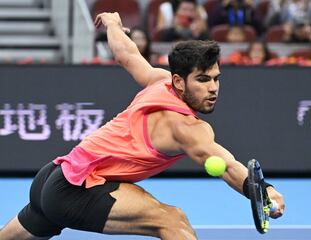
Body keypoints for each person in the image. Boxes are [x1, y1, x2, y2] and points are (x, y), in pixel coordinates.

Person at [0, 12, 285, 240]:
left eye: (216, 78)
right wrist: (263, 190)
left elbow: (127, 54)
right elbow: (227, 165)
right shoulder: (187, 128)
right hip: (75, 190)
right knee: (172, 221)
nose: (213, 89)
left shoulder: (159, 80)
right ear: (179, 81)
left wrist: (112, 23)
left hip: (52, 177)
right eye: (202, 80)